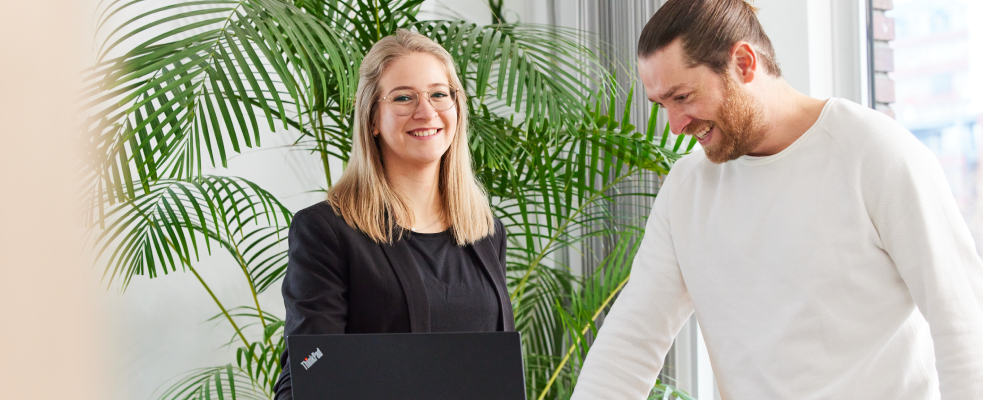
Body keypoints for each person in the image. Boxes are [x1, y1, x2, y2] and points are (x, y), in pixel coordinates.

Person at [571, 0, 983, 398]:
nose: (675, 125)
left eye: (682, 97)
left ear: (743, 63)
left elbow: (963, 323)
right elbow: (630, 343)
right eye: (661, 104)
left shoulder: (873, 153)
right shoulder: (686, 191)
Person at [272, 29, 514, 400]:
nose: (426, 112)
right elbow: (309, 368)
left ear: (457, 107)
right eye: (403, 97)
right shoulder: (327, 231)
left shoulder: (486, 232)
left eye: (439, 94)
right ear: (372, 118)